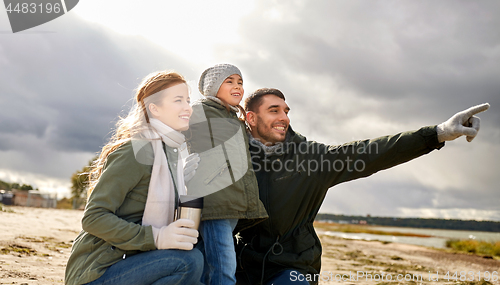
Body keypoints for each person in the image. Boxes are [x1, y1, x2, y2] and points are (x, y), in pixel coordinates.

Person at [234, 88, 489, 285]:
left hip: (293, 267)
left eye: (286, 111)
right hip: (241, 266)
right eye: (274, 111)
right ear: (251, 118)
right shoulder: (232, 158)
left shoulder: (312, 158)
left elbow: (370, 152)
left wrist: (438, 133)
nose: (284, 118)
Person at [65, 71, 203, 285]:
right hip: (98, 271)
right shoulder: (136, 150)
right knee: (189, 262)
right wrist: (157, 237)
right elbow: (93, 218)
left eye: (188, 100)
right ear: (154, 108)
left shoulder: (170, 155)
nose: (188, 107)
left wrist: (185, 184)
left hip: (134, 262)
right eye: (178, 100)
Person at [185, 64, 268, 285]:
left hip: (230, 203)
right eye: (229, 81)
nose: (238, 87)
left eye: (240, 82)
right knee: (224, 269)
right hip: (214, 202)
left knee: (206, 265)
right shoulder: (199, 111)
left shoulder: (234, 119)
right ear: (213, 87)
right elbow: (173, 136)